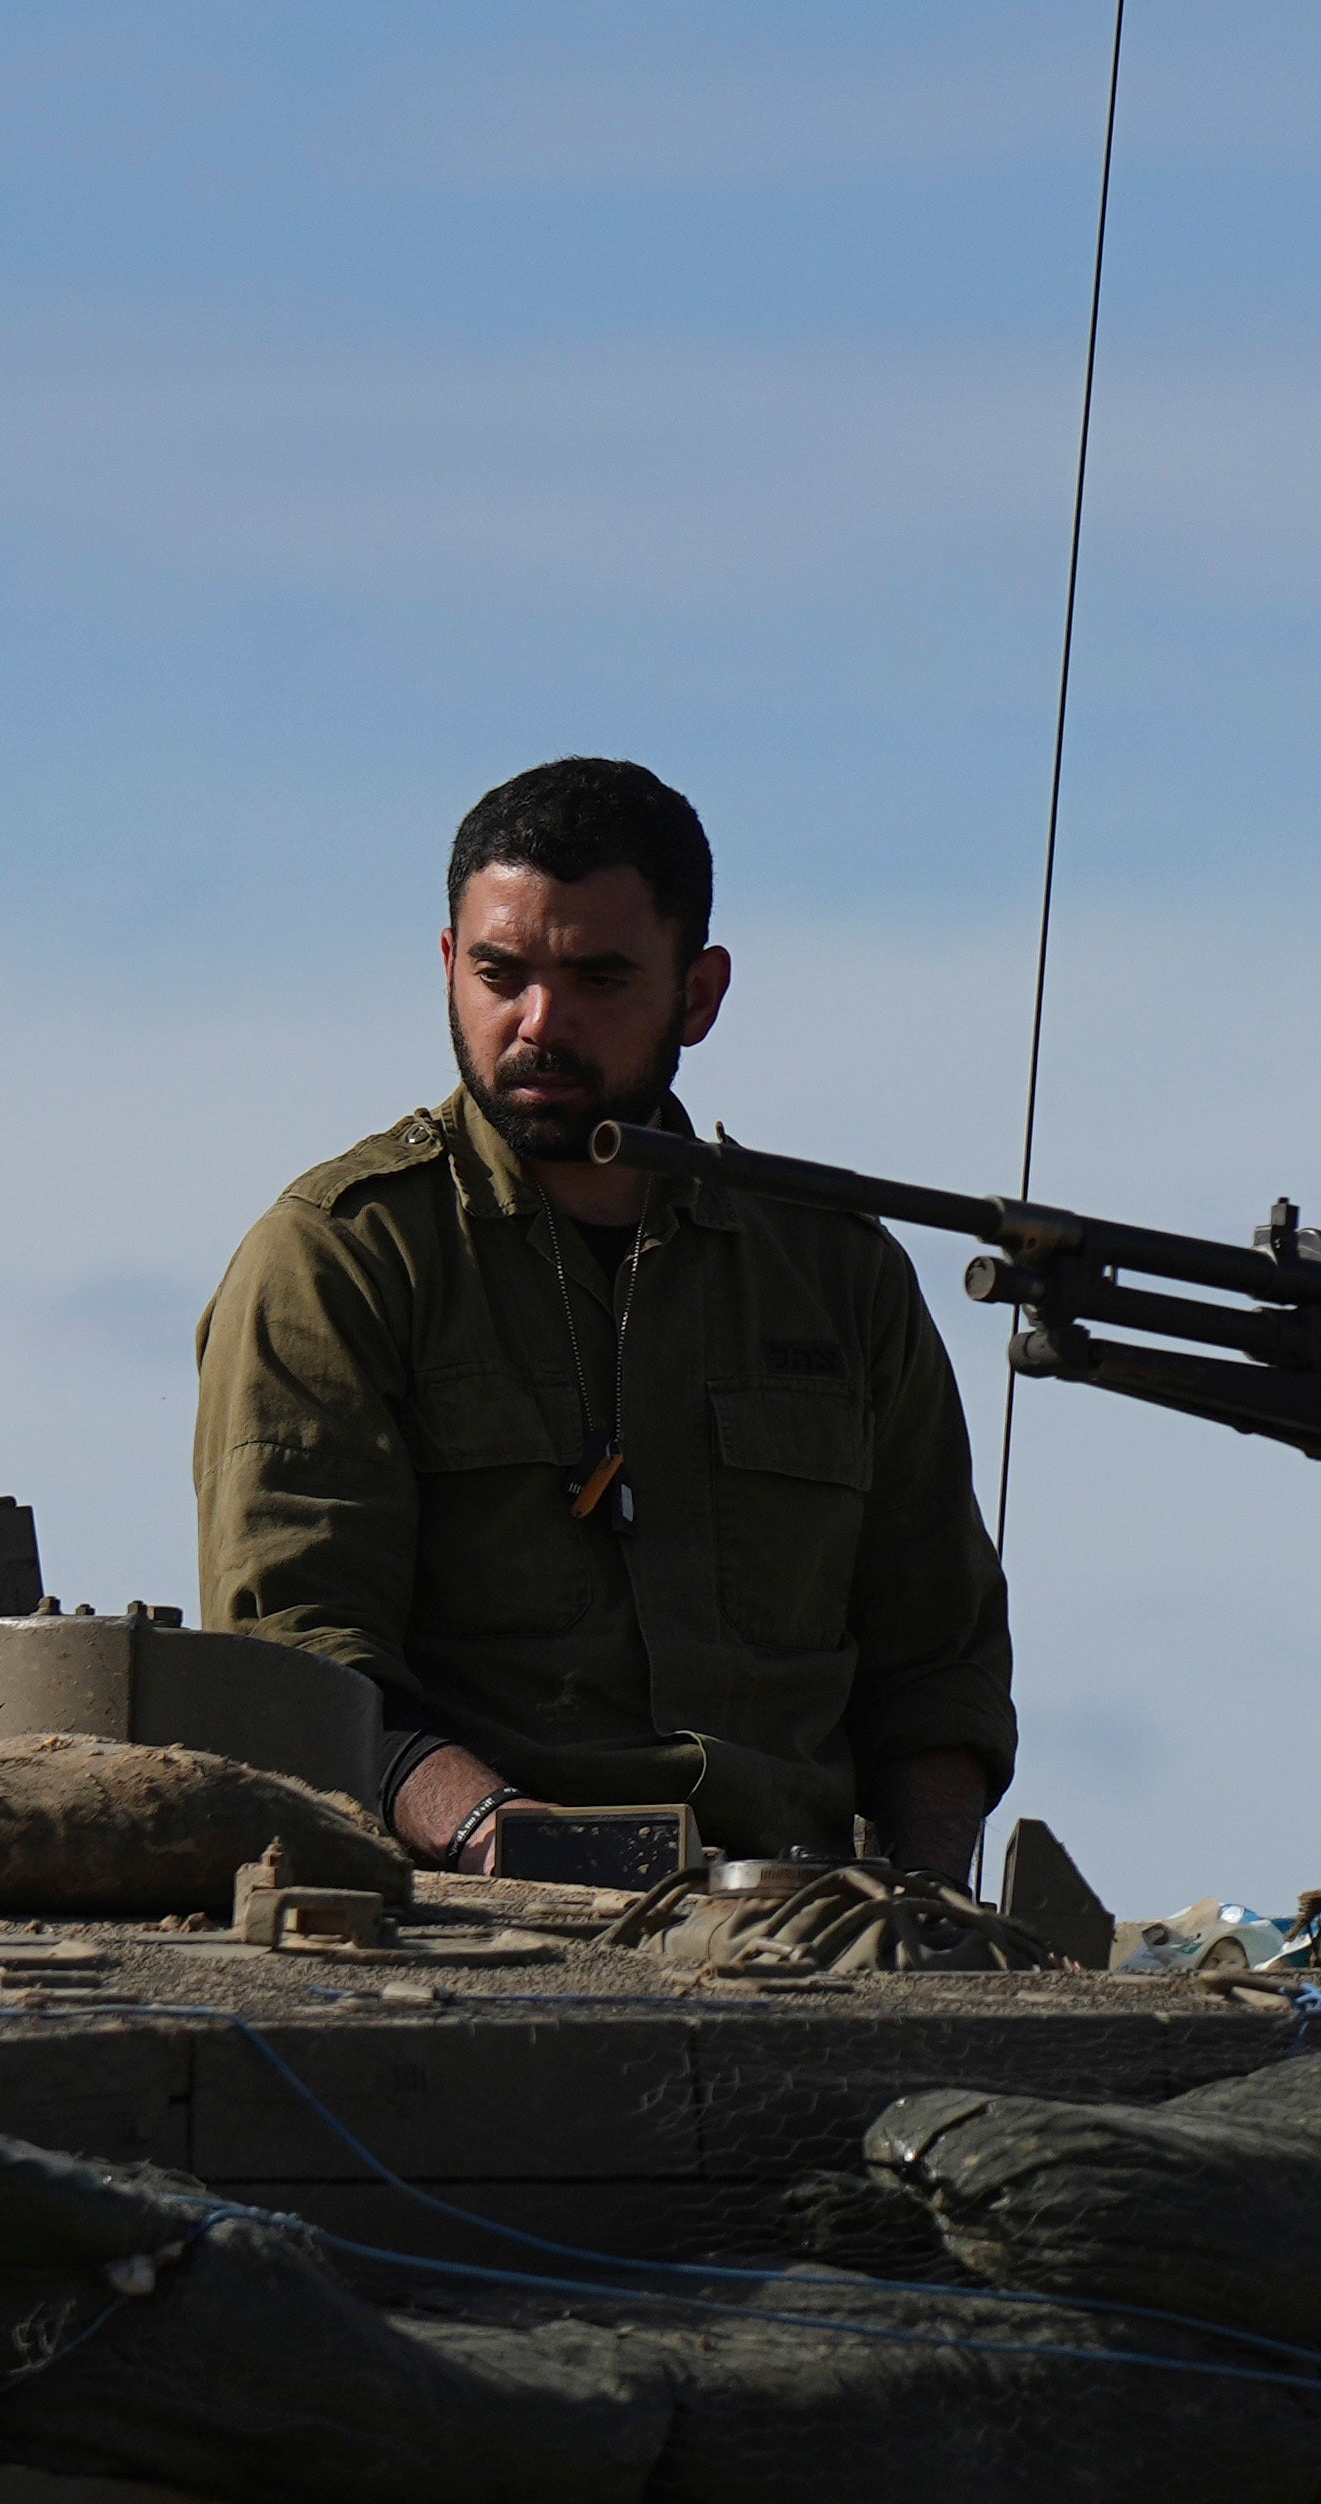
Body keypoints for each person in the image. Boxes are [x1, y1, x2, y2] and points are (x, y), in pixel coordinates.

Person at [191, 755, 1015, 1890]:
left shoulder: (834, 1270)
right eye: (500, 974)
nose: (539, 1022)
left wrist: (926, 1911)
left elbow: (939, 1666)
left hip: (804, 1917)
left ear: (700, 993)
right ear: (448, 967)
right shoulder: (343, 1259)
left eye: (599, 978)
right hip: (468, 1926)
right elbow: (293, 1667)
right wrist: (509, 1837)